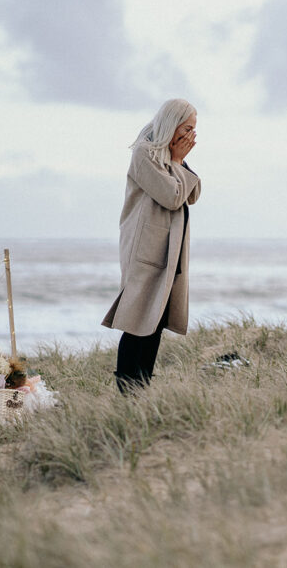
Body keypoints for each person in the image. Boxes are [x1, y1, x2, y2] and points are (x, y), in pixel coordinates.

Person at [102, 99, 201, 394]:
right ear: (172, 125)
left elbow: (193, 193)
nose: (191, 137)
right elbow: (172, 196)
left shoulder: (171, 155)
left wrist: (178, 162)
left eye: (194, 129)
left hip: (169, 252)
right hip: (145, 250)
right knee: (137, 321)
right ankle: (127, 394)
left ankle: (141, 392)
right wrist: (175, 163)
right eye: (187, 128)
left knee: (155, 324)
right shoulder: (145, 153)